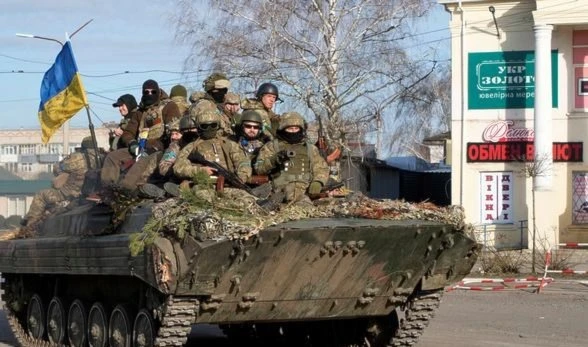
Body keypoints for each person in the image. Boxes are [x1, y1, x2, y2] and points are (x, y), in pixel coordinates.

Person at [23, 137, 101, 229]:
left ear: (83, 146)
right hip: (95, 194)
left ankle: (30, 226)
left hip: (72, 194)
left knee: (41, 195)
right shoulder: (102, 157)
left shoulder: (77, 157)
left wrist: (64, 173)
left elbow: (57, 168)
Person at [255, 112, 329, 203]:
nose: (294, 131)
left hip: (306, 192)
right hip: (279, 193)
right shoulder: (272, 146)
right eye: (290, 128)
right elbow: (259, 168)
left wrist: (318, 182)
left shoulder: (310, 148)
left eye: (296, 128)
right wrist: (274, 160)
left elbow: (321, 168)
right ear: (283, 129)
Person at [173, 109, 251, 185]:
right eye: (204, 126)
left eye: (213, 125)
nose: (209, 129)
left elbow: (243, 162)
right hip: (203, 185)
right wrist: (199, 171)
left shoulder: (229, 144)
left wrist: (242, 176)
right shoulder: (191, 147)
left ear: (218, 126)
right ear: (199, 127)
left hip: (229, 185)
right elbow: (178, 168)